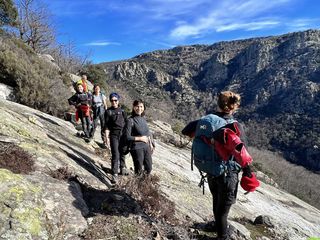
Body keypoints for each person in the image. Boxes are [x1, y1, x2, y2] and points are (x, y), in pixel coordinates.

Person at [125, 99, 155, 175]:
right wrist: (140, 138)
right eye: (137, 106)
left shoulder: (143, 119)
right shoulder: (130, 120)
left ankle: (143, 184)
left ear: (144, 108)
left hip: (146, 146)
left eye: (141, 106)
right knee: (138, 170)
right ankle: (136, 186)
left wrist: (151, 143)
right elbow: (127, 137)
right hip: (136, 148)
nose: (139, 108)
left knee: (149, 168)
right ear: (133, 107)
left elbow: (147, 132)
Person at [104, 92, 128, 183]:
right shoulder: (108, 112)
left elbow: (127, 123)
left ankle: (122, 167)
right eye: (112, 100)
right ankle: (114, 173)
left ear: (118, 101)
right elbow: (106, 126)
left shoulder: (123, 111)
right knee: (115, 154)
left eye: (115, 100)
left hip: (123, 134)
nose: (114, 102)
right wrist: (106, 137)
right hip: (113, 134)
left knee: (123, 152)